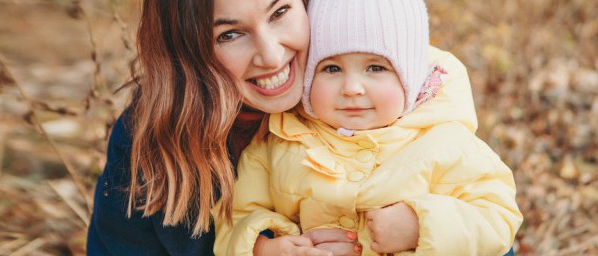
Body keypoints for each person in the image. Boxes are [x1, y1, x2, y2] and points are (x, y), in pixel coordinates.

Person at [213, 0, 523, 255]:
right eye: (331, 68)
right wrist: (262, 248)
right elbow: (235, 217)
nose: (352, 88)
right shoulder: (278, 140)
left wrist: (420, 226)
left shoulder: (445, 140)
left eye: (376, 68)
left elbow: (499, 216)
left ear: (410, 79)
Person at [87, 0, 361, 255]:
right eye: (229, 35)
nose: (272, 57)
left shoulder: (374, 96)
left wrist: (401, 228)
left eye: (279, 12)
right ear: (186, 51)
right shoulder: (148, 142)